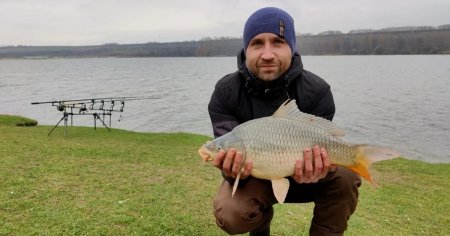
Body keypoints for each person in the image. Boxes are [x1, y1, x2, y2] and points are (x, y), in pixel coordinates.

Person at [207, 7, 362, 236]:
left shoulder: (317, 91)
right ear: (246, 49)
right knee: (230, 210)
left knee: (347, 176)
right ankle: (260, 224)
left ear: (291, 47)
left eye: (278, 42)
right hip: (256, 177)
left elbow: (327, 139)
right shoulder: (226, 91)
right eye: (257, 43)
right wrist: (229, 169)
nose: (267, 54)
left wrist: (317, 170)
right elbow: (227, 147)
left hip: (307, 175)